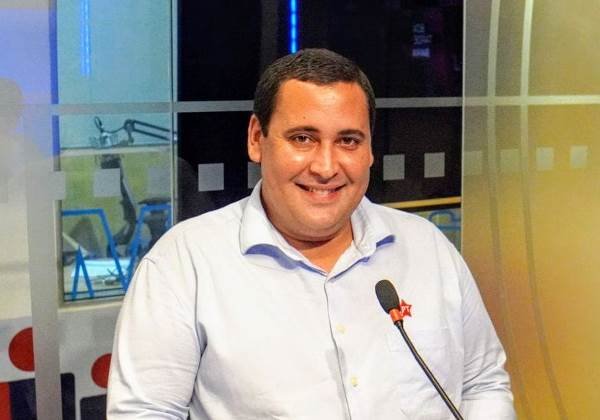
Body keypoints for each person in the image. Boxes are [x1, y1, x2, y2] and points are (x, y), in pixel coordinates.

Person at [107, 48, 515, 419]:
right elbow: (144, 413)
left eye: (348, 141)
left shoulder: (427, 249)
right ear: (256, 139)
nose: (325, 167)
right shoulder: (183, 264)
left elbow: (482, 383)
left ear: (370, 150)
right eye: (303, 138)